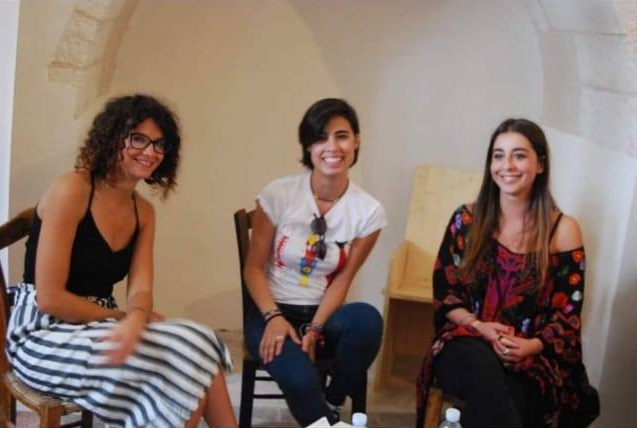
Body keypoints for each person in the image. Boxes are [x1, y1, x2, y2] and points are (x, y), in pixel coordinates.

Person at [6, 94, 237, 428]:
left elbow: (141, 289)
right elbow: (50, 298)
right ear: (113, 137)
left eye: (160, 144)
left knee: (199, 345)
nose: (150, 152)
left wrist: (136, 317)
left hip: (99, 326)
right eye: (138, 139)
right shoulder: (72, 189)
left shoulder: (144, 212)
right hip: (43, 333)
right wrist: (124, 318)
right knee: (181, 364)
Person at [416, 118, 599, 428]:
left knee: (508, 398)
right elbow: (446, 297)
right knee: (482, 366)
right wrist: (479, 327)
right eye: (498, 155)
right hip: (466, 341)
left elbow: (567, 317)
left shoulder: (563, 230)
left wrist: (530, 346)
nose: (507, 165)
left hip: (530, 355)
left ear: (540, 164)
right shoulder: (466, 220)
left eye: (519, 155)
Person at [243, 98, 386, 426]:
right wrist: (274, 318)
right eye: (320, 138)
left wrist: (316, 328)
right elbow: (253, 269)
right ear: (308, 146)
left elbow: (343, 279)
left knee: (367, 321)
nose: (332, 147)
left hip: (324, 314)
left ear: (356, 141)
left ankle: (331, 401)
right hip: (270, 310)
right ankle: (329, 421)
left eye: (341, 136)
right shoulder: (278, 195)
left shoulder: (369, 212)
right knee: (300, 378)